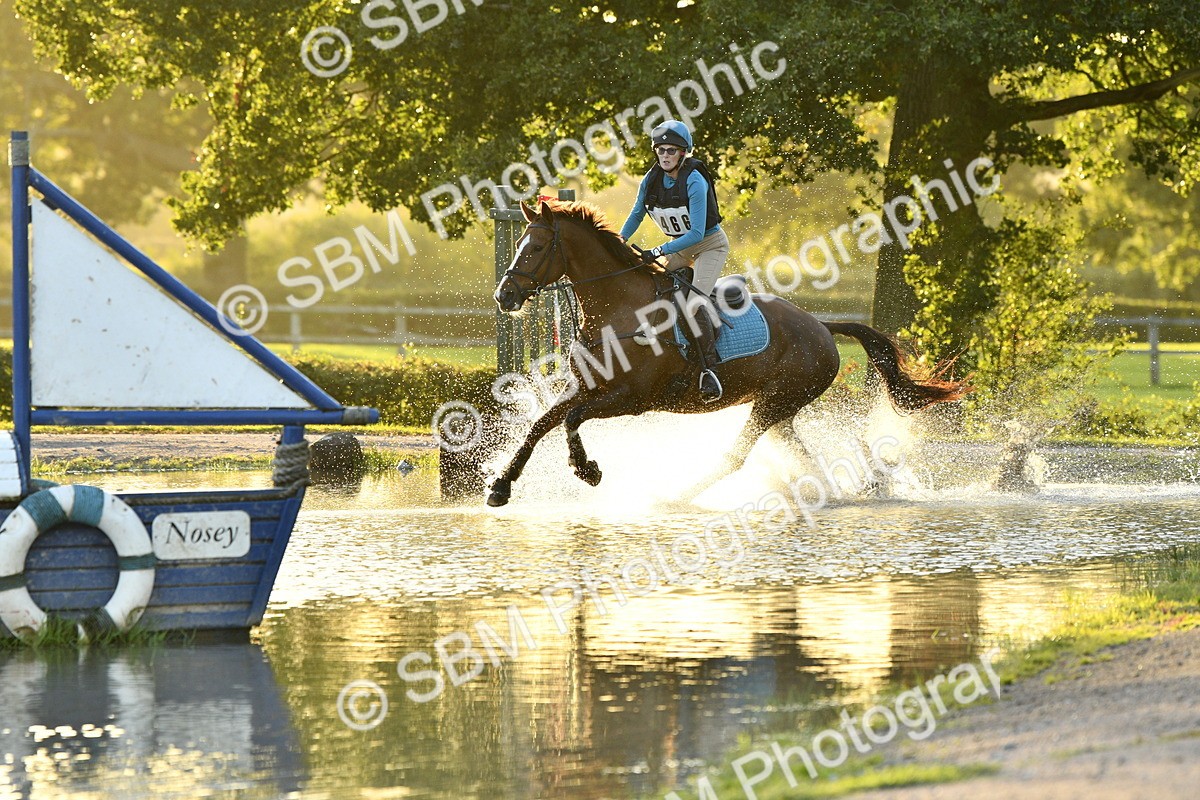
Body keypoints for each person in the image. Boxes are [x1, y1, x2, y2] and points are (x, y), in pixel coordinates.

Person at [620, 120, 729, 403]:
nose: (665, 155)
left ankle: (709, 369)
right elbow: (635, 215)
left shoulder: (694, 179)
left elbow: (695, 233)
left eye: (671, 150)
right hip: (680, 249)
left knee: (693, 302)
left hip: (708, 246)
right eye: (660, 150)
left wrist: (658, 251)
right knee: (654, 287)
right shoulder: (651, 179)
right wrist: (617, 243)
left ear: (683, 153)